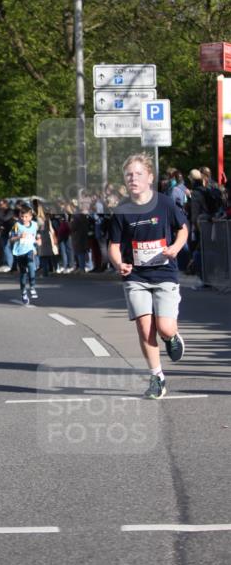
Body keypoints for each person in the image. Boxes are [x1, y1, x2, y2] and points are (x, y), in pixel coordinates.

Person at [108, 152, 188, 399]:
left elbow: (183, 229)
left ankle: (172, 337)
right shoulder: (121, 210)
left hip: (164, 273)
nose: (133, 178)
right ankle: (157, 377)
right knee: (145, 328)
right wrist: (119, 264)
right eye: (129, 175)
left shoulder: (165, 203)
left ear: (150, 178)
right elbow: (112, 246)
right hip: (136, 277)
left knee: (164, 327)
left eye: (138, 174)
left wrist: (175, 248)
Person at [9, 202, 41, 305]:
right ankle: (23, 292)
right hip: (19, 252)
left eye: (26, 216)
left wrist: (38, 241)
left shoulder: (35, 225)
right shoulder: (17, 225)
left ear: (30, 217)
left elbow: (36, 236)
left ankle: (32, 286)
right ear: (19, 216)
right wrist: (19, 237)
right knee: (23, 273)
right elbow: (11, 239)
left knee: (31, 265)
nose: (23, 218)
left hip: (30, 250)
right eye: (22, 216)